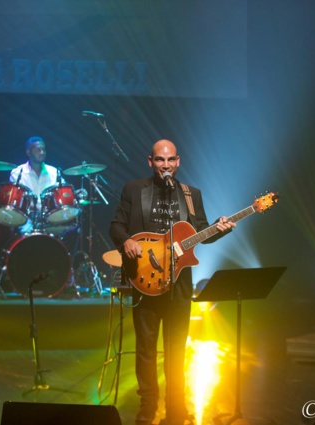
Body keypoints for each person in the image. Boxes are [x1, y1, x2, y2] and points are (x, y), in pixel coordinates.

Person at [109, 139, 236, 425]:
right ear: (150, 162)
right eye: (159, 160)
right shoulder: (133, 189)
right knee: (146, 348)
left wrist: (221, 228)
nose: (164, 165)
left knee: (177, 348)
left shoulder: (191, 195)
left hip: (179, 282)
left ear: (178, 162)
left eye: (169, 160)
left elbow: (202, 232)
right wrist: (126, 240)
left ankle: (176, 408)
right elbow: (115, 224)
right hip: (145, 280)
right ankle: (147, 406)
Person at [10, 136, 79, 235]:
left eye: (43, 149)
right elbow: (15, 204)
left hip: (50, 220)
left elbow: (65, 192)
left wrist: (76, 193)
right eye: (38, 150)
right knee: (26, 233)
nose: (42, 152)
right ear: (28, 152)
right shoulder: (17, 173)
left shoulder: (54, 172)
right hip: (27, 220)